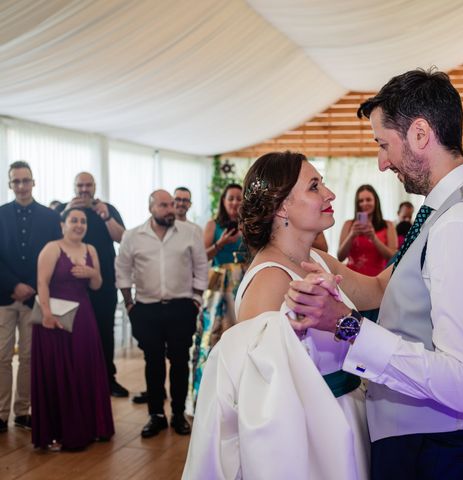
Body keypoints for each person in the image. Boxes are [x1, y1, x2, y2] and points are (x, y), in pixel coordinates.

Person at [286, 69, 463, 480]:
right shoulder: (453, 209)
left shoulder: (460, 225)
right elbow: (385, 287)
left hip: (441, 446)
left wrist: (345, 325)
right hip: (436, 437)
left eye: (384, 144)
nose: (382, 163)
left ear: (419, 134)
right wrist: (293, 246)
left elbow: (461, 382)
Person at [183, 151, 376, 479]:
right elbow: (262, 406)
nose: (329, 193)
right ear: (282, 206)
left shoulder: (317, 258)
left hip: (345, 416)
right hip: (310, 441)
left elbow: (379, 290)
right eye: (315, 186)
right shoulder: (269, 281)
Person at [116, 190, 208, 438]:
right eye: (164, 205)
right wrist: (129, 305)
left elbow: (201, 266)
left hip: (182, 307)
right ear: (151, 208)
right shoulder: (132, 236)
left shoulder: (190, 232)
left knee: (179, 362)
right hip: (146, 309)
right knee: (153, 362)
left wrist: (196, 300)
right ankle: (155, 415)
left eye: (172, 204)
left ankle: (178, 414)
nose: (171, 208)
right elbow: (122, 271)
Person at [32, 208, 114, 450]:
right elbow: (41, 283)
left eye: (83, 221)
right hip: (55, 318)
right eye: (74, 220)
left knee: (83, 368)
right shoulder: (52, 248)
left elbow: (97, 285)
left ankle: (90, 426)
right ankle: (60, 430)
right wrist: (46, 313)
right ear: (62, 224)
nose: (79, 225)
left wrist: (92, 273)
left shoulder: (91, 250)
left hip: (83, 317)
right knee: (59, 371)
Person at [0, 161, 61, 434]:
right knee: (0, 357)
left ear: (34, 183)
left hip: (35, 298)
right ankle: (0, 414)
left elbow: (54, 256)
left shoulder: (50, 218)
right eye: (16, 181)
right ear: (10, 184)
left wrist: (34, 287)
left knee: (28, 357)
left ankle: (23, 411)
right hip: (3, 296)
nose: (22, 186)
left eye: (26, 181)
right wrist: (14, 284)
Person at [56, 172, 128, 398]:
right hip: (70, 285)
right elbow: (52, 238)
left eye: (88, 185)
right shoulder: (64, 211)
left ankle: (108, 379)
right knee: (71, 334)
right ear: (74, 187)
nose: (84, 190)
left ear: (95, 187)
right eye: (80, 185)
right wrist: (66, 209)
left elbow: (123, 239)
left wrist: (106, 216)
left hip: (104, 283)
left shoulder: (108, 209)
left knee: (105, 332)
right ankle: (74, 380)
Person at [191, 184, 246, 405]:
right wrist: (220, 243)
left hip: (242, 282)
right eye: (230, 198)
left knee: (242, 335)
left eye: (239, 198)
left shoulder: (249, 224)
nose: (234, 203)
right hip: (218, 286)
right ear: (223, 201)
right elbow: (202, 256)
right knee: (213, 335)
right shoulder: (213, 225)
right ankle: (209, 396)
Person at [337, 185, 397, 276]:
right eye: (361, 201)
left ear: (375, 201)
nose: (364, 203)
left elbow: (393, 257)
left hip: (378, 278)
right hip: (351, 276)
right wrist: (352, 235)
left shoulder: (388, 225)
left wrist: (374, 238)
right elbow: (340, 257)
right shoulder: (349, 224)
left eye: (368, 199)